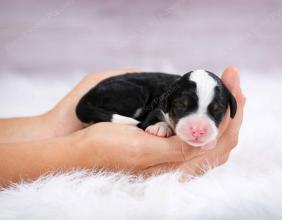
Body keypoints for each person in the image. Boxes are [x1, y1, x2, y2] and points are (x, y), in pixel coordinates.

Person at [0, 66, 246, 187]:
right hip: (116, 95)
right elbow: (152, 120)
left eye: (215, 111)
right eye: (185, 107)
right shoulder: (165, 98)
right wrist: (81, 152)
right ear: (170, 100)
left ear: (228, 107)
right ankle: (105, 115)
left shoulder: (180, 93)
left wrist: (50, 126)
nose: (199, 127)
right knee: (137, 101)